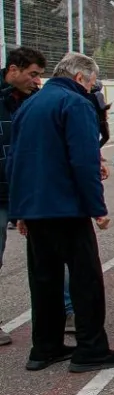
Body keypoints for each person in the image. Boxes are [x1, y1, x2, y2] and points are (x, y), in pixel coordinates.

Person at [7, 52, 114, 372]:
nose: (92, 90)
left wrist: (20, 210)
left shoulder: (28, 106)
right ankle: (91, 348)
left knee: (44, 279)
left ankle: (45, 347)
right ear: (80, 78)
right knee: (85, 278)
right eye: (91, 84)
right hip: (67, 207)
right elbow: (83, 160)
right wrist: (96, 207)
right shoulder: (75, 103)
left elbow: (16, 160)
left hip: (36, 209)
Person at [0, 46, 47, 346]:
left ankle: (65, 310)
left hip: (29, 191)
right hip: (2, 193)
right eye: (33, 74)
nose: (37, 81)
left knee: (51, 252)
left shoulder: (33, 102)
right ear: (13, 70)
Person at [89, 80, 112, 147]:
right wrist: (108, 106)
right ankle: (96, 149)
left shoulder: (89, 94)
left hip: (93, 120)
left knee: (96, 137)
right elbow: (102, 107)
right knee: (106, 137)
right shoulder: (99, 94)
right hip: (101, 119)